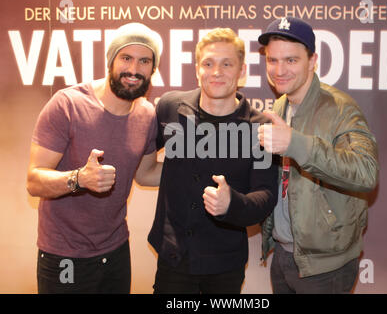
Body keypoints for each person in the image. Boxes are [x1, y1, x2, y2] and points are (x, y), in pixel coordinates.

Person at [26, 22, 162, 294]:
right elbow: (34, 180)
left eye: (144, 61)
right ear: (111, 61)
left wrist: (198, 166)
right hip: (64, 255)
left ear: (153, 69)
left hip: (115, 250)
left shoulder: (147, 114)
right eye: (126, 58)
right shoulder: (68, 104)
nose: (134, 70)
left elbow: (146, 173)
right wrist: (79, 179)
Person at [148, 28, 278, 294]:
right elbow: (140, 152)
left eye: (226, 64)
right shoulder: (170, 107)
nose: (216, 71)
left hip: (224, 264)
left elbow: (266, 195)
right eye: (208, 63)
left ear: (242, 71)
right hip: (173, 258)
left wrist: (234, 203)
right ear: (197, 69)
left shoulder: (260, 128)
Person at [257, 17, 379, 294]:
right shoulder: (280, 105)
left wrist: (296, 144)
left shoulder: (340, 108)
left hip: (326, 267)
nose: (279, 70)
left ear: (312, 61)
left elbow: (366, 172)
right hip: (285, 254)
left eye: (291, 60)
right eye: (272, 60)